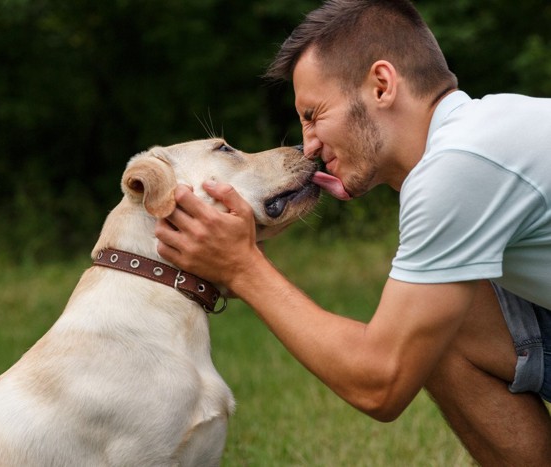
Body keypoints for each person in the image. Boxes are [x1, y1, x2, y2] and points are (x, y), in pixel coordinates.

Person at [154, 0, 551, 464]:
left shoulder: (458, 167)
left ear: (381, 85)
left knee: (419, 339)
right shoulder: (486, 134)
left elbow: (380, 382)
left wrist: (242, 269)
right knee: (437, 321)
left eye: (313, 114)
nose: (309, 145)